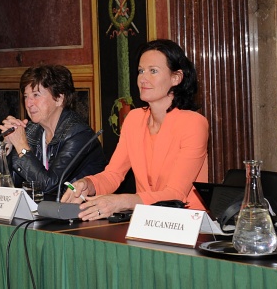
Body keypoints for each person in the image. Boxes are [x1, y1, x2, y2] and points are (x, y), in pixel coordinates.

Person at [61, 39, 209, 220]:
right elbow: (113, 174)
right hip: (146, 222)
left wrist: (120, 202)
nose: (143, 78)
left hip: (187, 224)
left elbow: (175, 194)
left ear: (176, 78)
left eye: (153, 71)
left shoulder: (194, 124)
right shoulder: (134, 119)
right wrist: (88, 184)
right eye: (141, 71)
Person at [0, 64, 107, 196]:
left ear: (59, 99)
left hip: (82, 212)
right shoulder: (31, 131)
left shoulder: (79, 135)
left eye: (36, 95)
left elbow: (50, 186)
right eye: (26, 96)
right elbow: (5, 185)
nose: (28, 103)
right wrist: (6, 149)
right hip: (44, 212)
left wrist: (21, 146)